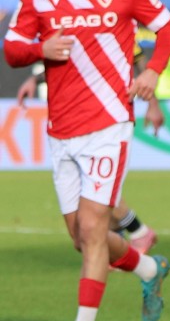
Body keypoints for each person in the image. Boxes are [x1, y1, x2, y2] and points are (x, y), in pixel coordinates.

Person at [2, 0, 170, 321]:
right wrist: (41, 49)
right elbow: (12, 49)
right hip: (61, 133)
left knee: (96, 227)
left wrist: (154, 73)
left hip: (108, 128)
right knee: (81, 237)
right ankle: (147, 267)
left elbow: (169, 28)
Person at [17, 56, 161, 253]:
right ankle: (127, 244)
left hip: (106, 120)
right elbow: (72, 65)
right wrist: (35, 79)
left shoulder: (116, 30)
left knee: (95, 190)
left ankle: (136, 237)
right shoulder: (79, 33)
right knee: (93, 194)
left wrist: (153, 104)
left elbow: (139, 63)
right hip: (76, 119)